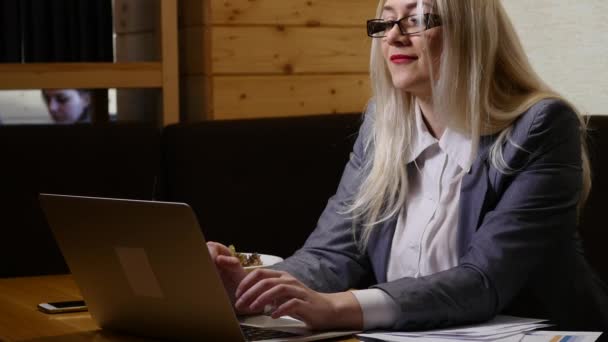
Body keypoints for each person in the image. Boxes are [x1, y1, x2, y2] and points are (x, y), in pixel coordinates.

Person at [208, 0, 608, 332]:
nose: (394, 35)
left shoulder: (542, 126)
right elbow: (332, 254)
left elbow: (483, 281)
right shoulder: (382, 124)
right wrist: (245, 289)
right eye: (386, 20)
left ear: (471, 31)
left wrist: (334, 308)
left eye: (417, 19)